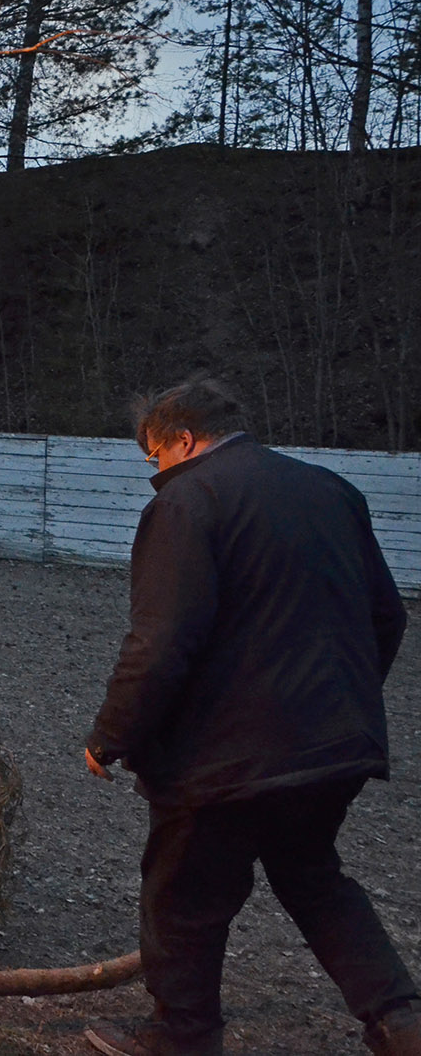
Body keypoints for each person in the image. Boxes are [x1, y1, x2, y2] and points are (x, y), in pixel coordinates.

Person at [81, 377, 419, 1056]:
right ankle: (402, 1019)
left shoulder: (188, 501)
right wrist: (334, 704)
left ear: (183, 438)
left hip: (224, 755)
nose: (154, 472)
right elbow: (388, 614)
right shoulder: (332, 490)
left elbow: (162, 640)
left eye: (154, 456)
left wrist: (111, 735)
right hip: (332, 746)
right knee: (314, 878)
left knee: (183, 895)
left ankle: (182, 1037)